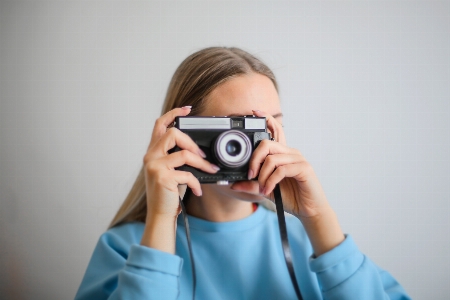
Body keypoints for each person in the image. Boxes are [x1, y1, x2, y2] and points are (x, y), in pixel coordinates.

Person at [75, 47, 410, 299]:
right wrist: (162, 220)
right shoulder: (128, 247)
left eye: (266, 127)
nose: (250, 147)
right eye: (232, 131)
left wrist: (319, 218)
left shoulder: (312, 242)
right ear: (181, 135)